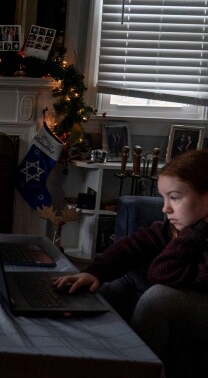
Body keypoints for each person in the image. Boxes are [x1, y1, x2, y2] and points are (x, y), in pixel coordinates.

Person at [53, 149, 208, 378]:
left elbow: (164, 273)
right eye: (164, 198)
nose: (165, 208)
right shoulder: (178, 226)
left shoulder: (192, 232)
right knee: (125, 275)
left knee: (158, 299)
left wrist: (194, 233)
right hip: (189, 284)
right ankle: (86, 352)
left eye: (175, 198)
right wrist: (96, 272)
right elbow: (138, 243)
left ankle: (135, 369)